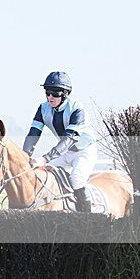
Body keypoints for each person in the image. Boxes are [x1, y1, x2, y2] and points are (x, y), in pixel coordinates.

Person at [23, 71, 98, 212]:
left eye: (55, 93)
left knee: (76, 179)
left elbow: (68, 140)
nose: (50, 97)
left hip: (84, 151)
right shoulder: (43, 108)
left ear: (65, 94)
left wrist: (45, 158)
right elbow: (34, 133)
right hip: (66, 152)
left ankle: (88, 220)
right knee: (43, 173)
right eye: (47, 92)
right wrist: (24, 156)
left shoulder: (77, 109)